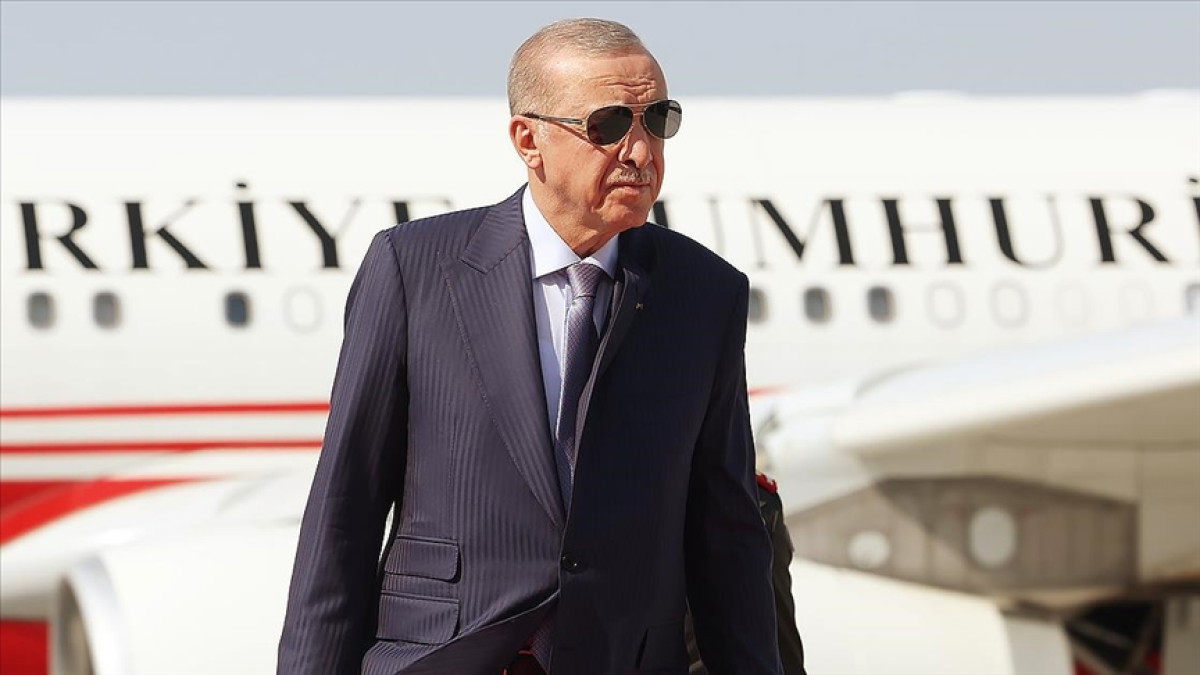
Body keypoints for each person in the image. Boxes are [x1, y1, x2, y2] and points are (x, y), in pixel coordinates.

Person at [277, 18, 783, 675]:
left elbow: (727, 535)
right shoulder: (414, 269)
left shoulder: (704, 292)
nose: (639, 150)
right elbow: (344, 511)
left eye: (658, 119)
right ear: (528, 139)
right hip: (442, 656)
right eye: (608, 125)